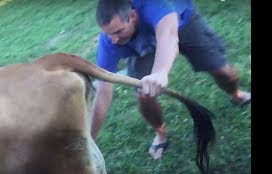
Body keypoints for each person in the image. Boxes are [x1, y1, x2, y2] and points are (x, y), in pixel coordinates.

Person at [91, 0, 251, 159]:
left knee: (223, 72)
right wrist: (89, 140)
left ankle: (236, 94)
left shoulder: (153, 4)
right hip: (141, 43)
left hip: (183, 23)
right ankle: (160, 133)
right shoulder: (109, 42)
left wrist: (160, 72)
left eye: (118, 31)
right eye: (108, 33)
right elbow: (103, 92)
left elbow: (168, 35)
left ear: (133, 15)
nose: (114, 40)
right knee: (144, 95)